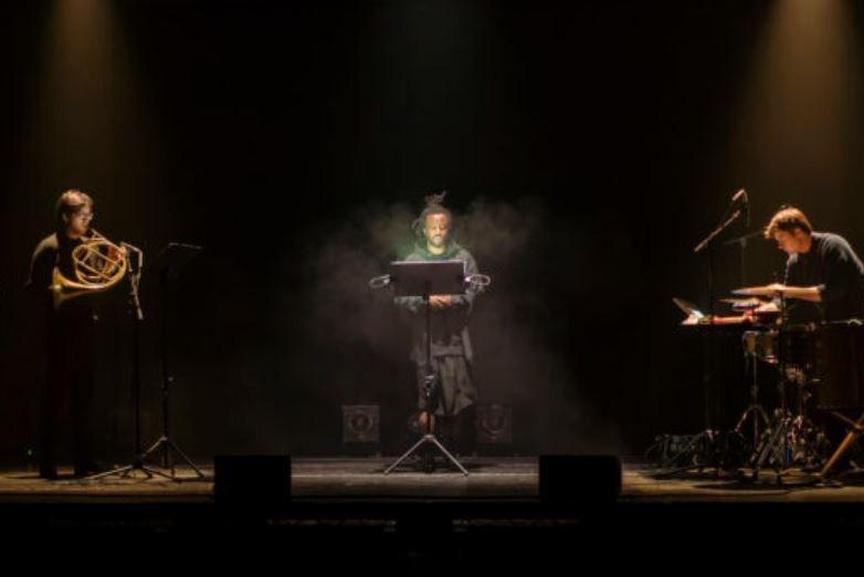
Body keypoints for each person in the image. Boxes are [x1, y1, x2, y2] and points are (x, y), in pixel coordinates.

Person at [395, 193, 483, 454]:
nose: (437, 232)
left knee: (456, 397)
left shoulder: (463, 257)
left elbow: (474, 288)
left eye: (442, 227)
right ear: (424, 229)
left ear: (449, 229)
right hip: (426, 340)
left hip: (454, 340)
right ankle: (429, 452)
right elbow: (401, 296)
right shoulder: (413, 260)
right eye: (432, 227)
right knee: (427, 399)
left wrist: (452, 299)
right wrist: (425, 300)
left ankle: (453, 449)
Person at [26, 189, 103, 479]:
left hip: (84, 330)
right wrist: (58, 291)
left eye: (89, 215)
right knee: (55, 400)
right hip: (58, 333)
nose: (87, 220)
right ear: (65, 216)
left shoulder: (88, 245)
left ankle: (84, 460)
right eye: (82, 215)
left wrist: (108, 258)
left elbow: (97, 279)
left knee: (84, 399)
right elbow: (34, 290)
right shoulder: (48, 248)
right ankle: (48, 463)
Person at [764, 206, 864, 325]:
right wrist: (770, 307)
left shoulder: (832, 246)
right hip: (835, 324)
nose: (780, 246)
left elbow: (834, 290)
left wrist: (785, 291)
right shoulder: (794, 261)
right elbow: (788, 298)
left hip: (858, 320)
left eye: (782, 238)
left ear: (798, 232)